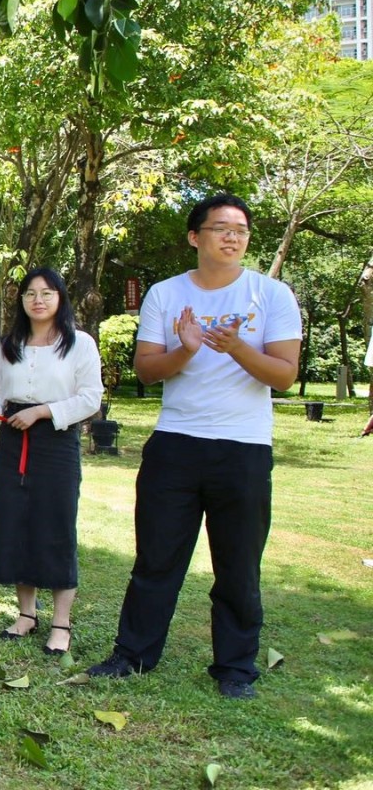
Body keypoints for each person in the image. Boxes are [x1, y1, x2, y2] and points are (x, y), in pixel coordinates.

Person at [89, 193, 301, 699]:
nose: (232, 237)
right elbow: (147, 369)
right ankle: (133, 655)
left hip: (243, 448)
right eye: (221, 227)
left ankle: (235, 669)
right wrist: (186, 349)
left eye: (241, 230)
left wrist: (236, 347)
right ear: (195, 237)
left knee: (238, 565)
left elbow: (285, 376)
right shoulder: (165, 294)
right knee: (156, 559)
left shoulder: (271, 296)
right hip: (176, 444)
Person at [0, 268, 103, 655]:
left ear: (60, 298)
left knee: (55, 524)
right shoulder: (10, 342)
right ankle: (26, 614)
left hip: (56, 441)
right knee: (14, 522)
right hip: (12, 438)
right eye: (30, 293)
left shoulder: (80, 344)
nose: (38, 300)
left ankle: (61, 622)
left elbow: (90, 399)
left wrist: (42, 412)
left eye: (47, 292)